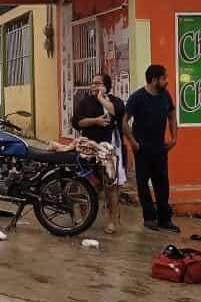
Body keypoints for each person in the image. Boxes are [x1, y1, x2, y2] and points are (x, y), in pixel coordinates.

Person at [123, 64, 180, 233]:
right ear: (154, 80)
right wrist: (133, 142)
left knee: (162, 183)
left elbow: (172, 115)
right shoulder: (137, 98)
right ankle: (149, 217)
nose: (167, 81)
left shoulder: (165, 96)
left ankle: (164, 219)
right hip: (142, 148)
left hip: (160, 147)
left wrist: (174, 138)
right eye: (164, 78)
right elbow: (124, 121)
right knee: (143, 183)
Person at [72, 73, 127, 234]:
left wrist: (102, 98)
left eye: (98, 83)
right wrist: (95, 121)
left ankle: (112, 221)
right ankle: (84, 219)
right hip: (89, 149)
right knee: (85, 183)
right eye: (92, 83)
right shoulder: (84, 102)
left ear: (106, 86)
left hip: (111, 150)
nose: (93, 86)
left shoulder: (114, 101)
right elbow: (77, 122)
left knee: (111, 187)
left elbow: (117, 112)